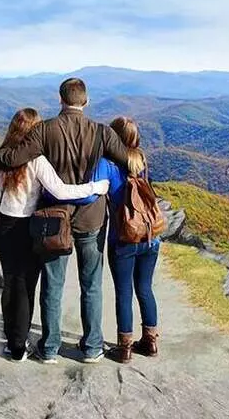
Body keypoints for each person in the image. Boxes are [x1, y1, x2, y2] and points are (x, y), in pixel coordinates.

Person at [0, 79, 128, 364]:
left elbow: (14, 158)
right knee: (92, 284)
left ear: (60, 100)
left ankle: (49, 348)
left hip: (55, 218)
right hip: (92, 218)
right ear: (85, 102)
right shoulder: (103, 133)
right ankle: (91, 347)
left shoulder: (44, 129)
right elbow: (129, 162)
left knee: (53, 284)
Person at [98, 116, 160, 363]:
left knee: (124, 292)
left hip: (122, 238)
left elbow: (96, 192)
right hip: (150, 237)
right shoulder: (142, 161)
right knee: (144, 288)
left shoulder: (108, 165)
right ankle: (151, 342)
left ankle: (124, 348)